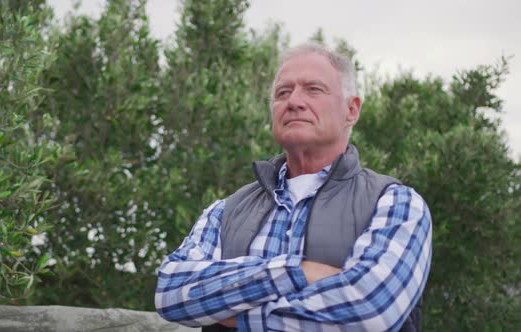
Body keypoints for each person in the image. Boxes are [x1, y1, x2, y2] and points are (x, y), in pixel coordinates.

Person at [155, 42, 432, 332]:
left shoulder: (395, 204)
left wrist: (237, 316)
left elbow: (369, 312)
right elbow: (171, 292)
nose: (294, 101)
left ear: (351, 110)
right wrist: (298, 272)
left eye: (313, 89)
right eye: (283, 92)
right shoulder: (225, 212)